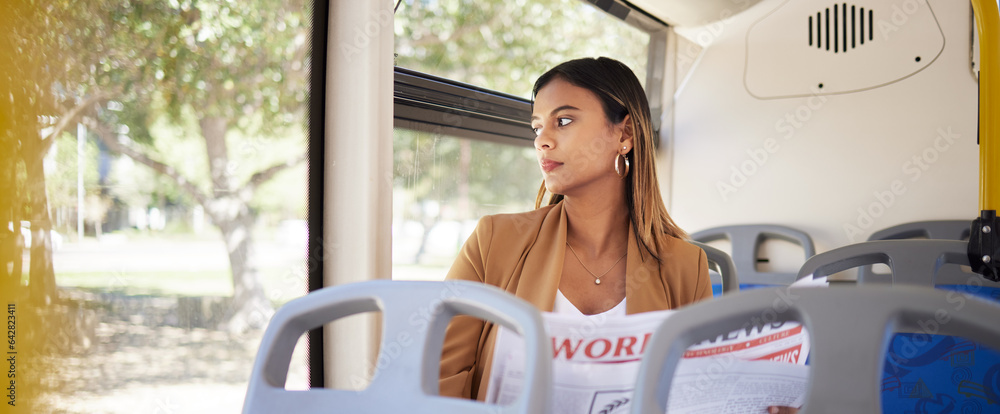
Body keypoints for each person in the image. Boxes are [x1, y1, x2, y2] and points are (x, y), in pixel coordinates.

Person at [437, 56, 713, 401]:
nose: (542, 141)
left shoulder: (686, 265)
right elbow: (438, 375)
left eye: (563, 121)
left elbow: (698, 394)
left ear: (624, 134)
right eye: (537, 127)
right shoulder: (494, 241)